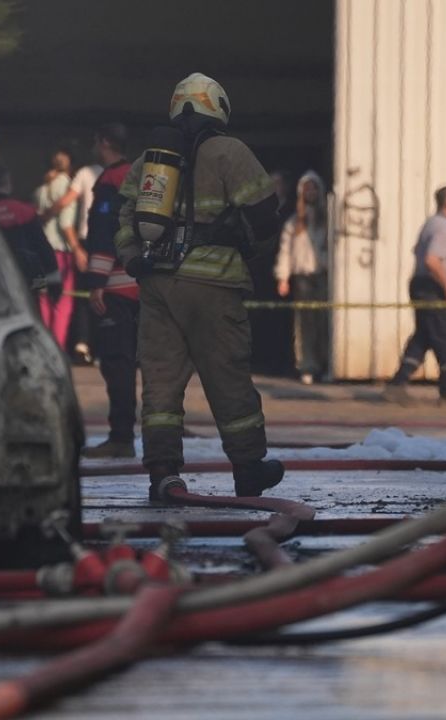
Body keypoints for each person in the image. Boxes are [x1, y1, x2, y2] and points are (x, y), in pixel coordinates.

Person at [114, 72, 285, 500]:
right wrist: (247, 246)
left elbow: (123, 221)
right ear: (217, 106)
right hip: (214, 287)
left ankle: (163, 473)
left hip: (157, 285)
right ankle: (248, 469)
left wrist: (135, 260)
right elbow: (266, 215)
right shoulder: (231, 152)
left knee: (160, 381)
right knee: (226, 377)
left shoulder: (148, 162)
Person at [81, 123, 139, 459]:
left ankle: (121, 437)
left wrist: (96, 285)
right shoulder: (140, 176)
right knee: (133, 363)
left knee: (116, 364)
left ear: (103, 143)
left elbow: (104, 234)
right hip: (141, 285)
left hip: (116, 288)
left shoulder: (109, 182)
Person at [383, 184, 446, 404]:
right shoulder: (443, 228)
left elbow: (417, 249)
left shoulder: (434, 224)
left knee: (424, 336)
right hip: (432, 289)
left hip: (422, 286)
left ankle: (397, 385)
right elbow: (431, 259)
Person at [42, 151, 103, 364]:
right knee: (77, 297)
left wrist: (42, 216)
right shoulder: (113, 173)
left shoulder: (47, 186)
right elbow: (66, 219)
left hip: (62, 246)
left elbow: (63, 204)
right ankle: (90, 347)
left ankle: (77, 343)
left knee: (57, 298)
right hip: (92, 244)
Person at [274, 170, 329, 385]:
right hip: (301, 277)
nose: (311, 192)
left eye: (314, 187)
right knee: (304, 324)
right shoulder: (294, 221)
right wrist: (283, 277)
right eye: (306, 188)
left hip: (322, 275)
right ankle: (307, 366)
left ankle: (326, 364)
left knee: (324, 322)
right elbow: (285, 250)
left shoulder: (328, 219)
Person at [34, 148, 85, 349]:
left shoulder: (40, 189)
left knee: (44, 299)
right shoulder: (68, 186)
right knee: (63, 302)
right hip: (60, 253)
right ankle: (57, 348)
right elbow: (66, 223)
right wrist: (77, 248)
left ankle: (44, 347)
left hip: (42, 251)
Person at [0, 165, 60, 295]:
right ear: (8, 184)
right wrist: (54, 283)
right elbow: (42, 247)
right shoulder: (25, 212)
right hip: (28, 283)